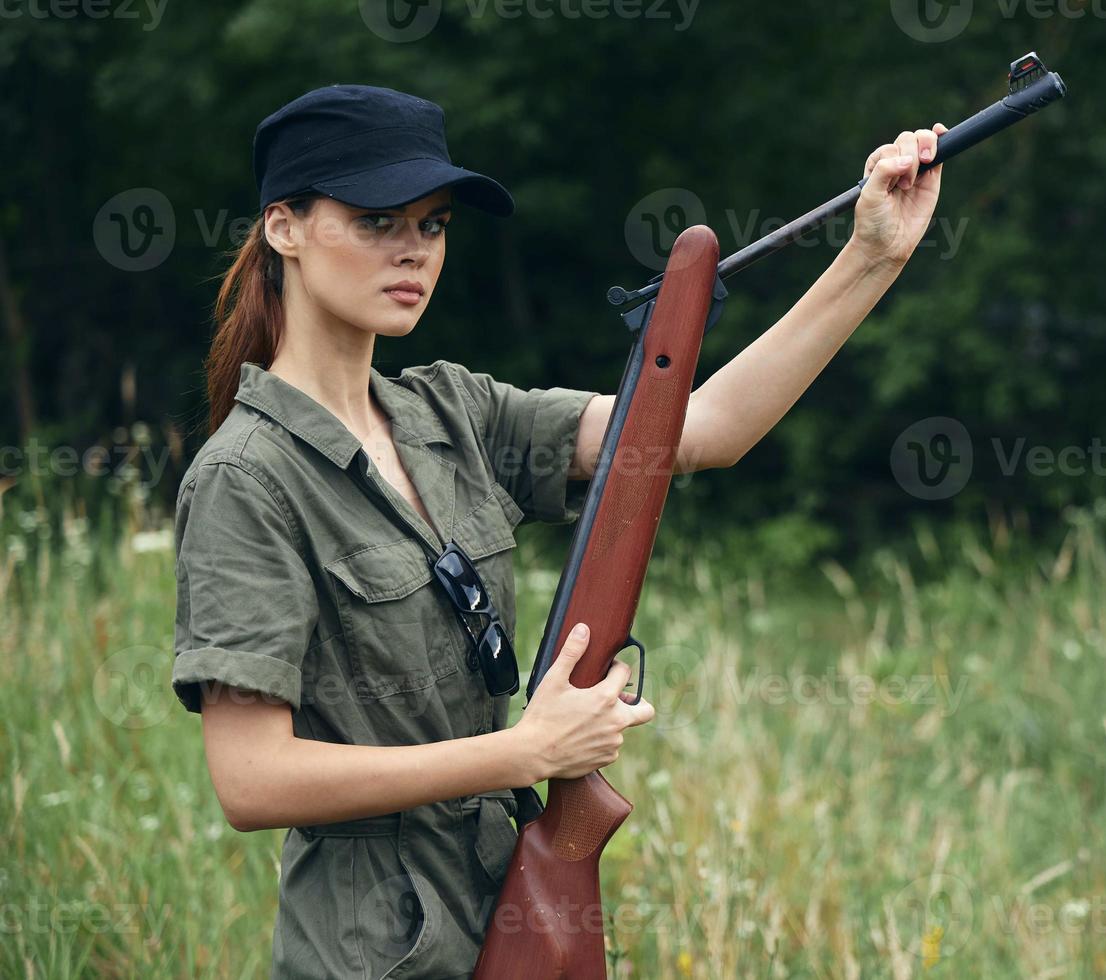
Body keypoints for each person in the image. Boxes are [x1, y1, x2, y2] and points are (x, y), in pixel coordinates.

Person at [170, 82, 946, 979]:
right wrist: (524, 751)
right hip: (366, 950)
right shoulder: (246, 479)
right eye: (377, 220)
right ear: (284, 228)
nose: (413, 251)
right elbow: (252, 780)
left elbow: (695, 432)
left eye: (433, 224)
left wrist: (872, 258)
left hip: (506, 902)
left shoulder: (450, 411)